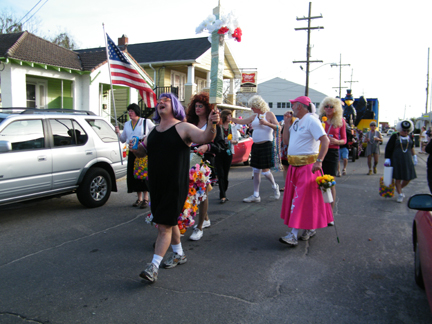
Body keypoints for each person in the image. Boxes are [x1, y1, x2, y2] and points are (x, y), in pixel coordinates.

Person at [131, 93, 220, 282]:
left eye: (166, 100)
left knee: (164, 226)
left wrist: (212, 124)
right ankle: (179, 254)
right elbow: (141, 153)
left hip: (174, 186)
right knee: (168, 223)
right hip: (156, 185)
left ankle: (153, 267)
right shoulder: (154, 131)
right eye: (159, 100)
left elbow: (206, 137)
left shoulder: (183, 127)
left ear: (175, 106)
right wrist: (134, 146)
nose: (161, 102)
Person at [279, 96, 333, 246]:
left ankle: (293, 235)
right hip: (294, 167)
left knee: (299, 199)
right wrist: (287, 124)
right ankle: (309, 228)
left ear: (301, 106)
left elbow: (325, 140)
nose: (292, 108)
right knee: (302, 200)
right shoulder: (297, 122)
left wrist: (320, 161)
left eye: (294, 105)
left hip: (308, 167)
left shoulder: (312, 120)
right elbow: (286, 142)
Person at [186, 92, 224, 241]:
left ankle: (199, 227)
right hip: (189, 162)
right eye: (195, 106)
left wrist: (207, 147)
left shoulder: (214, 124)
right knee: (193, 193)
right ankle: (205, 218)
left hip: (204, 163)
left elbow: (220, 145)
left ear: (207, 108)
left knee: (202, 195)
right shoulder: (190, 123)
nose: (197, 108)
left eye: (200, 106)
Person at [231, 95, 281, 202]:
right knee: (255, 170)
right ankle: (256, 195)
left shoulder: (269, 114)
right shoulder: (254, 116)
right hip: (256, 145)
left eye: (252, 107)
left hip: (266, 144)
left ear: (258, 105)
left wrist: (267, 123)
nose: (251, 109)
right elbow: (243, 121)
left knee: (265, 171)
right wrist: (231, 118)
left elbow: (278, 127)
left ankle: (274, 186)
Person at [115, 103, 154, 209]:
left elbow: (154, 132)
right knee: (135, 175)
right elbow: (123, 139)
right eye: (129, 111)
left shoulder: (146, 122)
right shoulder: (127, 124)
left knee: (144, 174)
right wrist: (118, 133)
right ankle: (139, 198)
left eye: (131, 111)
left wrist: (147, 138)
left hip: (143, 151)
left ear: (136, 111)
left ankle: (146, 198)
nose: (130, 113)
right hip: (132, 151)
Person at [318, 97, 347, 211]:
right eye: (326, 106)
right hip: (319, 152)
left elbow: (344, 140)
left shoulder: (340, 121)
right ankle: (320, 209)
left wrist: (337, 141)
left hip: (332, 152)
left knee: (330, 182)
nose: (329, 109)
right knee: (318, 182)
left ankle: (329, 212)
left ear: (336, 109)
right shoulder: (319, 120)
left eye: (331, 106)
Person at [384, 120, 417, 203]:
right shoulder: (395, 137)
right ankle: (400, 194)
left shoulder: (410, 137)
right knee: (397, 178)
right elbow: (389, 148)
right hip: (396, 160)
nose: (405, 132)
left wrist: (415, 156)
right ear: (400, 129)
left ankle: (399, 188)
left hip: (407, 160)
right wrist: (388, 158)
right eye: (404, 130)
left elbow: (412, 147)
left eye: (407, 131)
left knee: (408, 178)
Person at [215, 110, 239, 204]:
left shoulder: (232, 127)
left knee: (225, 174)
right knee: (220, 174)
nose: (230, 117)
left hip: (228, 152)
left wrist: (230, 141)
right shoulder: (219, 127)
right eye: (228, 116)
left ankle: (223, 191)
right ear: (224, 116)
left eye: (231, 116)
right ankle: (223, 195)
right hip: (219, 151)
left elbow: (237, 140)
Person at [280, 108, 295, 191]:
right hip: (284, 148)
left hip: (292, 147)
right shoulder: (284, 124)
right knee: (285, 167)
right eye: (285, 115)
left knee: (292, 167)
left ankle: (292, 184)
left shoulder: (294, 125)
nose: (287, 116)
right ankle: (286, 184)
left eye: (289, 114)